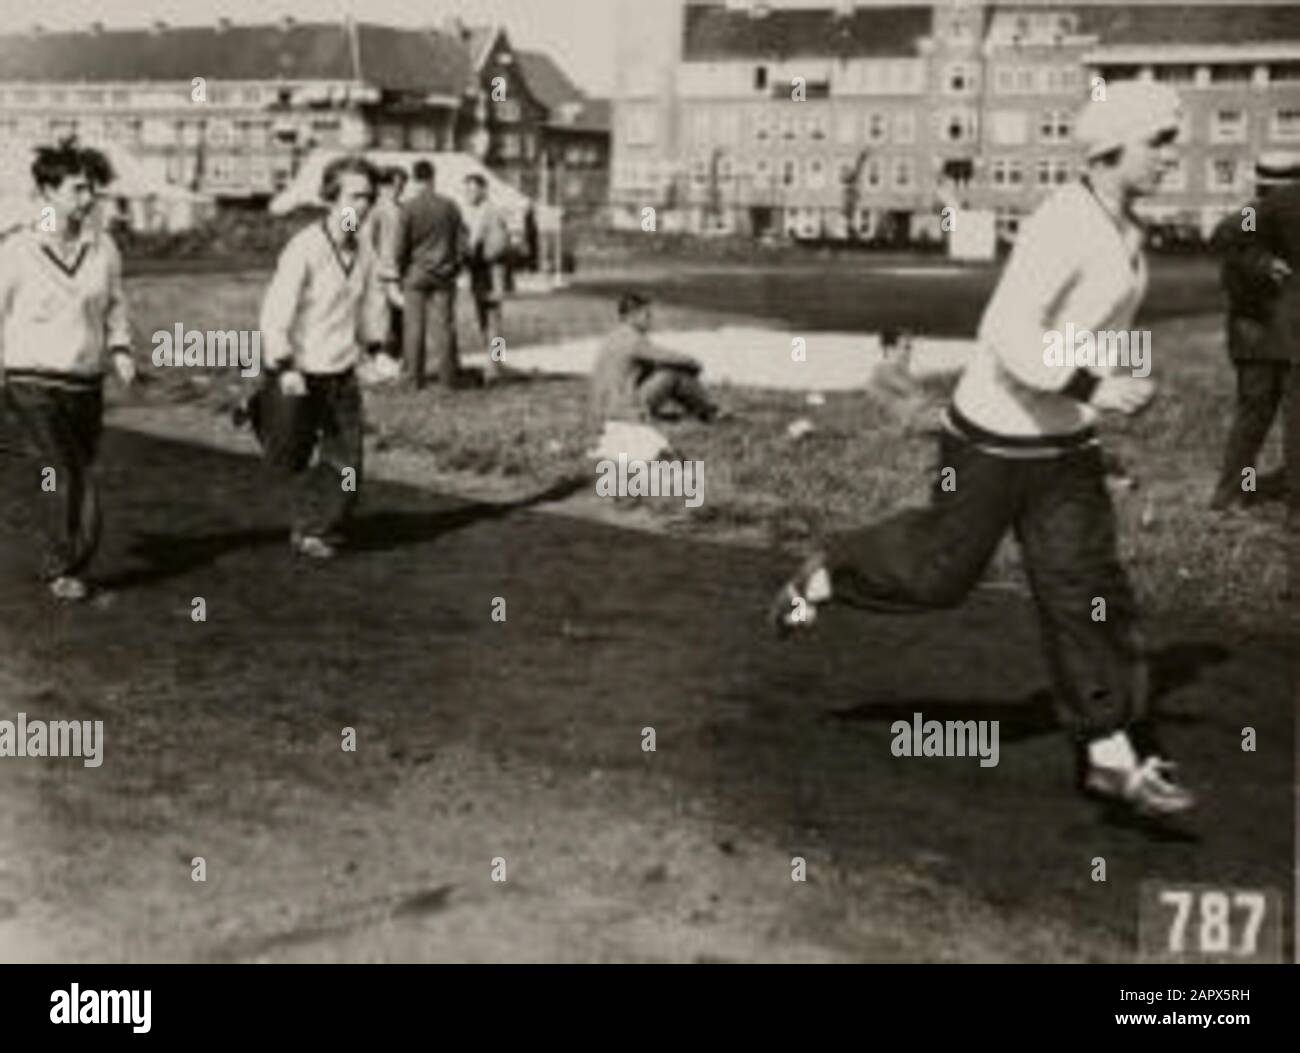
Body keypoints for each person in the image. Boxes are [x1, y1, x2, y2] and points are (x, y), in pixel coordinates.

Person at [771, 82, 1194, 818]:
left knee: (1084, 588)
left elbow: (1085, 327)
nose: (1169, 157)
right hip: (993, 439)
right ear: (1109, 149)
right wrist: (1095, 380)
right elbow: (1007, 332)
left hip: (1064, 447)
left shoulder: (1126, 229)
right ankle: (829, 566)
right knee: (940, 576)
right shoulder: (1065, 223)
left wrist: (1122, 371)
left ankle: (1107, 751)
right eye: (1158, 142)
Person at [0, 140, 136, 602]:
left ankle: (62, 553)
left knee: (73, 469)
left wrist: (121, 350)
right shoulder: (17, 249)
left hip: (85, 382)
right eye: (78, 189)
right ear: (46, 191)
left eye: (92, 189)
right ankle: (66, 566)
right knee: (63, 470)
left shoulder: (104, 248)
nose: (88, 198)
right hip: (31, 380)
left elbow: (115, 304)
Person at [255, 155, 387, 560]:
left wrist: (376, 347)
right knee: (290, 455)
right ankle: (260, 408)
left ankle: (317, 527)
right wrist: (284, 364)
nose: (361, 206)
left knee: (348, 460)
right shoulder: (305, 247)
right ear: (331, 199)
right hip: (299, 370)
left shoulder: (364, 248)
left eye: (368, 198)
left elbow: (370, 304)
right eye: (353, 196)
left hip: (340, 370)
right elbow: (276, 311)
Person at [1210, 152, 1300, 511]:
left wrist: (1261, 263)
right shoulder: (1259, 214)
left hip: (1258, 337)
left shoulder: (1254, 213)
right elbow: (1229, 235)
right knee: (1284, 421)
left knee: (1254, 420)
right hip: (1275, 335)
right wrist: (1266, 265)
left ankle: (1238, 489)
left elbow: (1227, 236)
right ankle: (1289, 497)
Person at [589, 293, 722, 460]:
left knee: (665, 370)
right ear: (633, 316)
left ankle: (702, 408)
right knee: (673, 375)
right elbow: (670, 357)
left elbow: (647, 363)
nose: (650, 320)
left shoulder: (611, 338)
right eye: (647, 315)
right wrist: (694, 363)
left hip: (603, 409)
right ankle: (707, 411)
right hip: (623, 409)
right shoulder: (633, 339)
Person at [384, 159, 465, 389]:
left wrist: (399, 272)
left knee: (414, 327)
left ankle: (413, 378)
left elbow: (400, 246)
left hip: (415, 273)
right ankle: (448, 379)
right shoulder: (450, 206)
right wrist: (455, 265)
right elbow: (462, 242)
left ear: (414, 179)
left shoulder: (408, 208)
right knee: (445, 326)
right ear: (433, 177)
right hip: (444, 274)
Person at [461, 173, 511, 383]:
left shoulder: (491, 212)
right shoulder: (474, 213)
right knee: (484, 320)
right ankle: (492, 362)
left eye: (472, 189)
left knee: (493, 321)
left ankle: (496, 365)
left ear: (483, 190)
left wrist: (477, 254)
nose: (468, 194)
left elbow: (500, 246)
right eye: (466, 190)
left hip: (491, 273)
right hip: (480, 273)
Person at [361, 165, 407, 384]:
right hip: (383, 273)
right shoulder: (376, 210)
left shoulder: (401, 208)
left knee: (395, 318)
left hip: (396, 272)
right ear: (383, 186)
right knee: (380, 318)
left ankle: (498, 358)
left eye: (401, 186)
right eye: (394, 185)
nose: (397, 190)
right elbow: (365, 239)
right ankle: (380, 361)